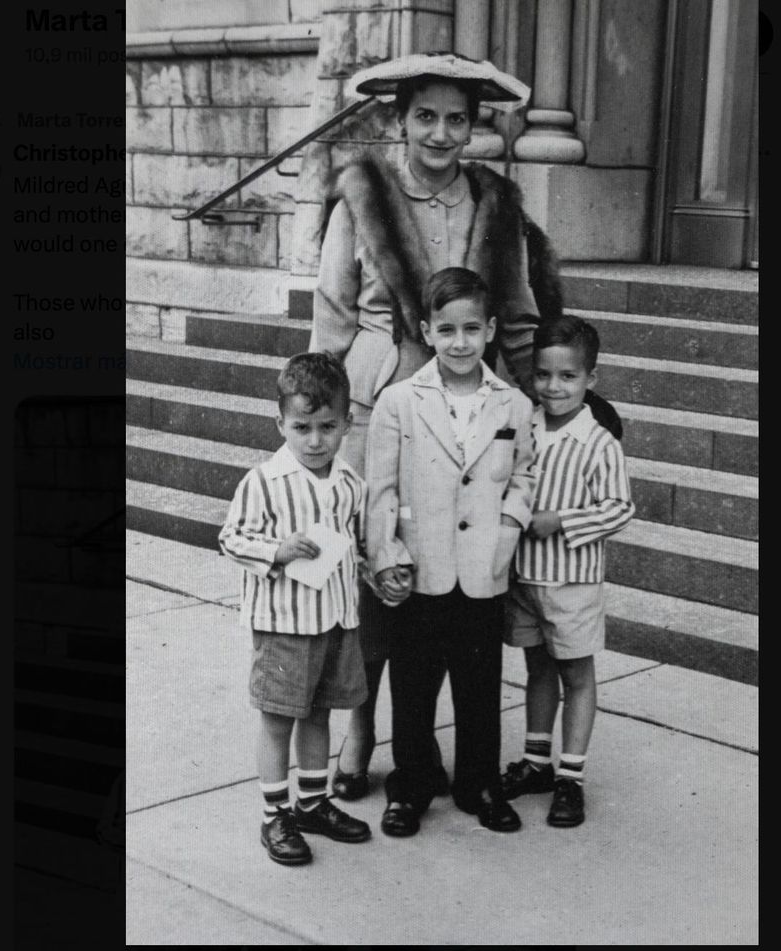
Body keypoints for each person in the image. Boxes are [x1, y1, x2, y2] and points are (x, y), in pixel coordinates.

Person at [311, 52, 562, 801]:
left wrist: (541, 418)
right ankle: (362, 732)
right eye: (426, 116)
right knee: (375, 571)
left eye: (458, 117)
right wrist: (320, 424)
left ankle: (457, 755)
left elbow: (516, 316)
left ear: (475, 126)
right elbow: (332, 315)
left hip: (468, 410)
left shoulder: (495, 204)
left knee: (452, 574)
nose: (442, 133)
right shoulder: (361, 196)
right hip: (378, 396)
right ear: (399, 120)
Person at [365, 267, 536, 836]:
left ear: (489, 330)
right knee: (413, 683)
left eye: (471, 329)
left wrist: (508, 529)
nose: (459, 342)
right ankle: (411, 783)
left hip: (483, 568)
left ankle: (479, 783)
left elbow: (523, 476)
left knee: (479, 684)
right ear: (425, 330)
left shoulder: (511, 404)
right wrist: (386, 554)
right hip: (421, 566)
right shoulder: (398, 401)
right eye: (446, 330)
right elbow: (381, 488)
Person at [217, 352, 375, 865]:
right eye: (302, 427)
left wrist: (379, 568)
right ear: (280, 421)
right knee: (279, 719)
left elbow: (356, 544)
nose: (315, 440)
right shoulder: (263, 481)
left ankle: (311, 802)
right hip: (284, 625)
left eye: (328, 427)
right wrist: (276, 551)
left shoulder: (351, 483)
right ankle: (275, 814)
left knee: (319, 714)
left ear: (347, 423)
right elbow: (231, 538)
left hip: (334, 620)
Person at [498, 316, 635, 828]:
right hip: (525, 578)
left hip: (571, 582)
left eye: (568, 377)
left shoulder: (598, 442)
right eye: (543, 375)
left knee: (575, 675)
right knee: (537, 669)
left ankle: (570, 777)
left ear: (589, 380)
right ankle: (536, 762)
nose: (554, 387)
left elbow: (620, 507)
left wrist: (563, 521)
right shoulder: (525, 423)